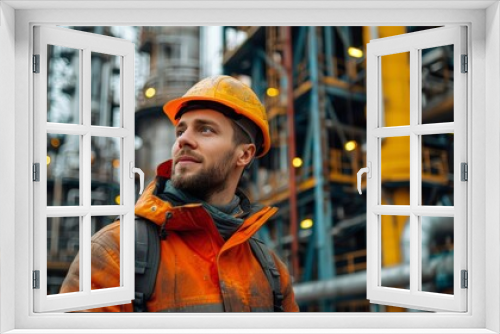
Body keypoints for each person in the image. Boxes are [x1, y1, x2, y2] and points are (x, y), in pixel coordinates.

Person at [60, 75, 299, 312]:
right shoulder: (116, 252)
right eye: (180, 131)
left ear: (244, 155)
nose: (184, 139)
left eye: (205, 130)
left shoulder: (271, 271)